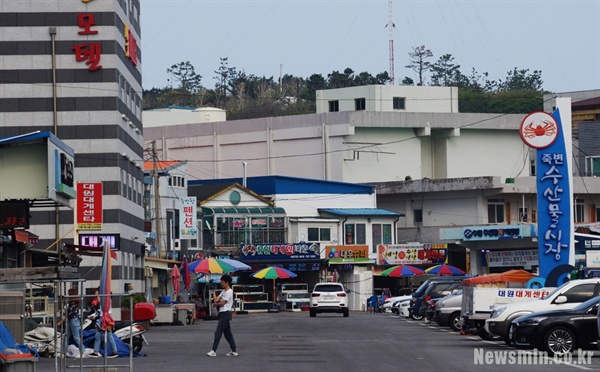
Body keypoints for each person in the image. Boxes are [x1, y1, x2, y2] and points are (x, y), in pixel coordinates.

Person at [206, 274, 237, 357]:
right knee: (227, 333)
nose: (221, 284)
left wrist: (215, 304)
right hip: (222, 313)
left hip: (226, 313)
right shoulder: (224, 291)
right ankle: (233, 350)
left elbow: (222, 303)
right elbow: (216, 299)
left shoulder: (229, 292)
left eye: (222, 282)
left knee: (218, 332)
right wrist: (213, 291)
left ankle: (213, 350)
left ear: (227, 283)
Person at [88, 289, 118, 358]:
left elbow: (100, 302)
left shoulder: (106, 300)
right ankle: (96, 352)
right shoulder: (106, 299)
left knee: (107, 336)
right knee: (99, 335)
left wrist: (98, 296)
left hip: (105, 319)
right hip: (104, 318)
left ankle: (114, 351)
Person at [65, 288, 85, 354]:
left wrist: (62, 320)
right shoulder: (73, 303)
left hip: (73, 320)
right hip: (72, 320)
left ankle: (82, 351)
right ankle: (63, 352)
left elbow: (69, 313)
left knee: (76, 338)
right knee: (66, 337)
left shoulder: (72, 303)